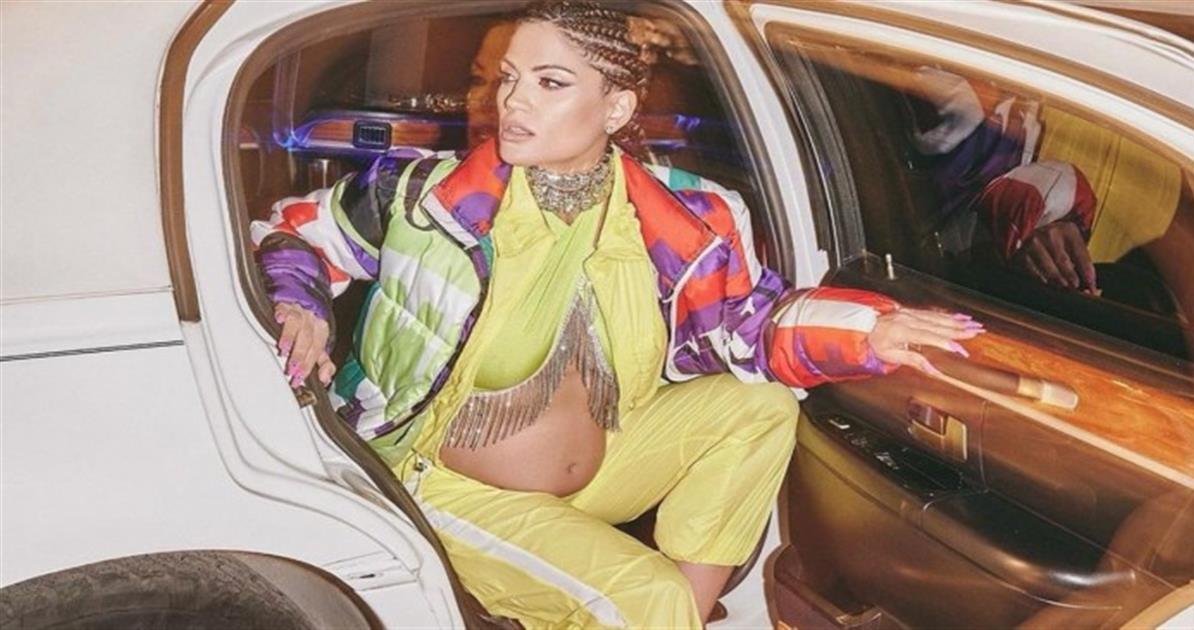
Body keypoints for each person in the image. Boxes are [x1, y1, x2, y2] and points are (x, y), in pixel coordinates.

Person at [251, 2, 982, 626]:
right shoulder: (426, 198)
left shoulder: (682, 216)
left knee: (759, 408)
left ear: (618, 108)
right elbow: (295, 231)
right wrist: (298, 300)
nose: (514, 101)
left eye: (550, 82)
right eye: (509, 78)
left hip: (603, 468)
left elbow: (750, 326)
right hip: (443, 485)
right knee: (646, 597)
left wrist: (868, 330)